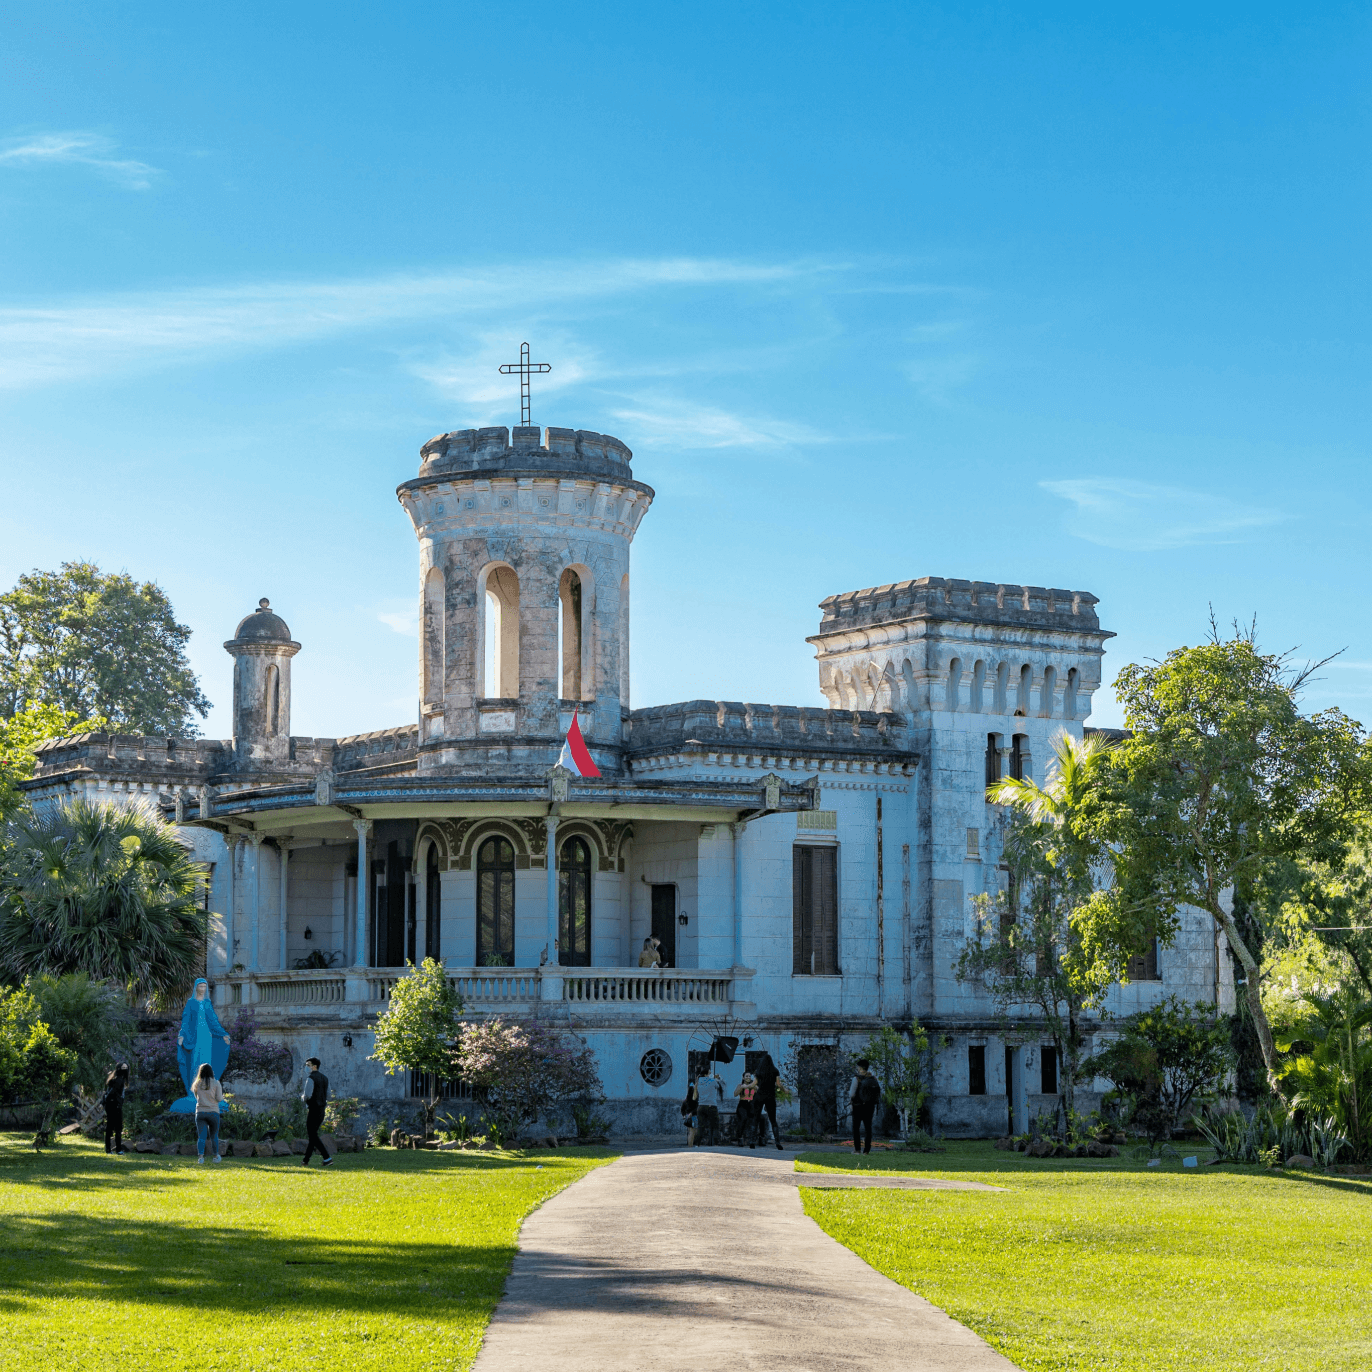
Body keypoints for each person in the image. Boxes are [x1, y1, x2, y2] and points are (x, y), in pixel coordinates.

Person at [173, 978, 230, 1114]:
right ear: (196, 988)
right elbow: (186, 1020)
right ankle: (194, 1093)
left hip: (207, 1037)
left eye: (205, 986)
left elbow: (214, 1021)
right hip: (195, 1038)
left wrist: (223, 1034)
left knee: (206, 1063)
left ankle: (208, 1093)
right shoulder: (191, 1003)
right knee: (195, 1064)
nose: (203, 989)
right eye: (200, 986)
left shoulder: (207, 1003)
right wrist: (181, 1035)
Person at [300, 1056, 333, 1167]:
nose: (306, 1067)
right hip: (321, 1110)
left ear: (314, 1066)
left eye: (308, 1065)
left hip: (313, 1109)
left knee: (312, 1135)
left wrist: (302, 1097)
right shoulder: (325, 1078)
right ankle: (305, 1160)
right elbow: (329, 1095)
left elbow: (307, 1095)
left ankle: (327, 1157)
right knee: (312, 1136)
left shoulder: (311, 1078)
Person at [191, 1062, 225, 1163]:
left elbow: (197, 1097)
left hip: (200, 1112)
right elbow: (219, 1098)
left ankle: (201, 1158)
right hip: (213, 1112)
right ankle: (215, 1157)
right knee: (214, 1136)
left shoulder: (197, 1083)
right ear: (211, 1072)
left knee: (201, 1136)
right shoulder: (216, 1083)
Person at [850, 1058, 882, 1155]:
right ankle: (866, 1151)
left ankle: (857, 1150)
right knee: (868, 1128)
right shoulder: (873, 1079)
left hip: (858, 1106)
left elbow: (851, 1094)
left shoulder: (856, 1079)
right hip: (870, 1106)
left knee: (856, 1128)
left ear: (859, 1067)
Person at [753, 1052, 784, 1151]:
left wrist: (747, 1086)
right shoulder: (775, 1071)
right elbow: (778, 1084)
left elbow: (754, 1083)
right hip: (770, 1096)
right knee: (773, 1120)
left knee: (756, 1119)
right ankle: (777, 1142)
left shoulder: (759, 1071)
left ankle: (752, 1141)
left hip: (759, 1096)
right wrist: (785, 1090)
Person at [102, 1062, 130, 1156]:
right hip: (115, 1106)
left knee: (110, 1127)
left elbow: (109, 1093)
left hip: (110, 1105)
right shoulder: (119, 1080)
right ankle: (118, 1149)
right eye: (123, 1068)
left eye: (126, 1067)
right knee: (117, 1128)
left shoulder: (114, 1078)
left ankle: (109, 1149)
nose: (125, 1069)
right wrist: (117, 1103)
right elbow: (112, 1093)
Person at [733, 1072, 759, 1148]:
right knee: (743, 1118)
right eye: (746, 1076)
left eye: (749, 1076)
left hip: (751, 1105)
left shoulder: (753, 1085)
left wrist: (755, 1087)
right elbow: (735, 1094)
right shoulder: (740, 1085)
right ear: (743, 1078)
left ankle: (760, 1138)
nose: (748, 1077)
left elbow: (759, 1092)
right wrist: (742, 1088)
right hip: (742, 1105)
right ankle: (740, 1138)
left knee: (760, 1118)